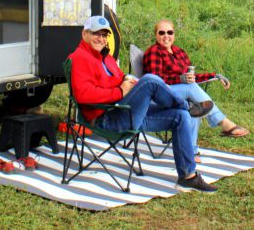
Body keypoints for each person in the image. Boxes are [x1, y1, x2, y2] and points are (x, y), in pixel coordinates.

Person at [68, 15, 217, 193]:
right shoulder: (80, 58)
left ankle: (188, 176)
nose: (100, 38)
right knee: (151, 79)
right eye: (95, 34)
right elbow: (84, 95)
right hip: (107, 118)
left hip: (126, 110)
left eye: (104, 35)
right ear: (84, 33)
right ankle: (188, 106)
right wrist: (120, 91)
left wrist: (128, 81)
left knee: (180, 116)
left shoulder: (105, 57)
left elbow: (119, 78)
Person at [143, 19, 249, 143]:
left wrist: (214, 76)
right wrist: (180, 79)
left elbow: (191, 77)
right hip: (160, 94)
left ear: (174, 34)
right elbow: (155, 80)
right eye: (162, 33)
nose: (166, 36)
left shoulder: (179, 52)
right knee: (191, 89)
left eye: (169, 32)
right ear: (156, 35)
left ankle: (191, 151)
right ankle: (223, 122)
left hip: (180, 92)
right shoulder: (155, 51)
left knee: (196, 107)